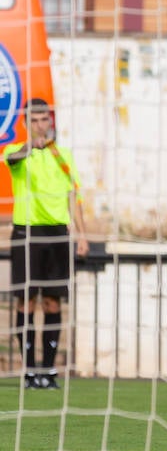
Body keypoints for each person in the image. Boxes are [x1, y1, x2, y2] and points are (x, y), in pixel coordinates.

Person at [4, 98, 89, 390]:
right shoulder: (16, 152)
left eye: (45, 120)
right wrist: (32, 148)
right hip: (26, 232)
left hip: (57, 234)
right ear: (26, 124)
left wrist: (82, 234)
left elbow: (73, 196)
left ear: (50, 122)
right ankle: (29, 371)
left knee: (53, 301)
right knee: (26, 301)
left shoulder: (63, 155)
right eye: (35, 120)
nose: (41, 125)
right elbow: (12, 161)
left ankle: (49, 370)